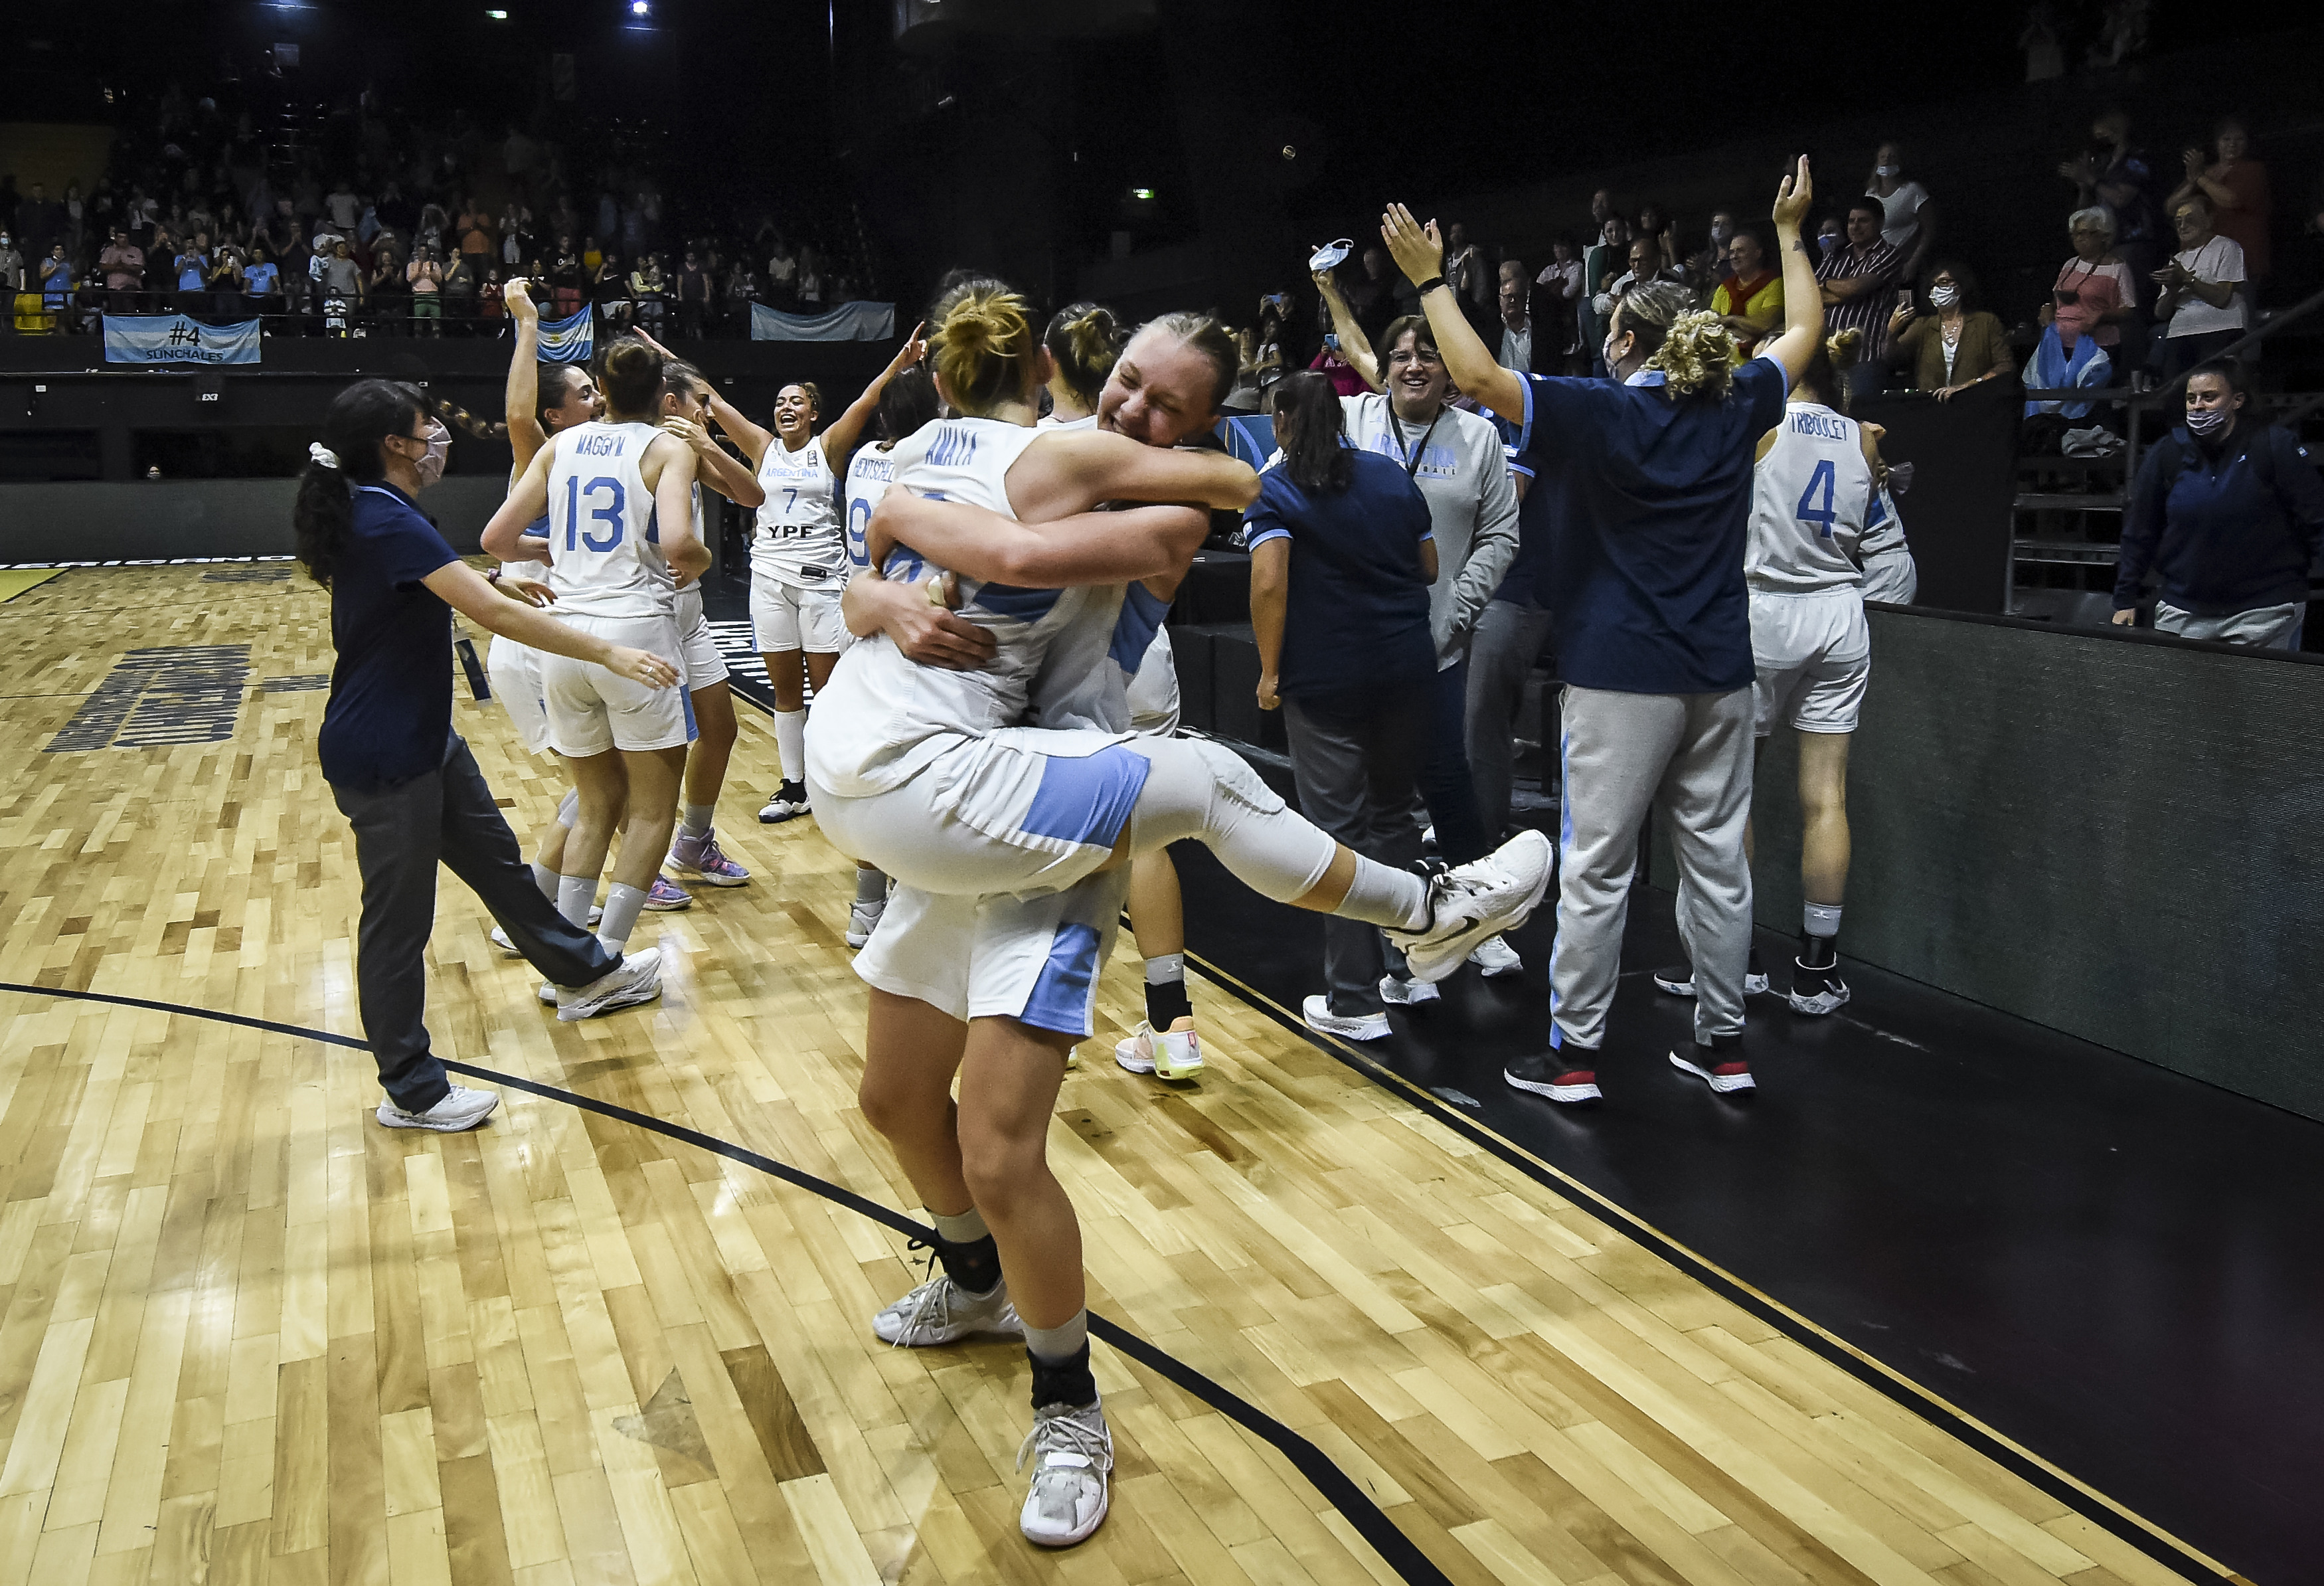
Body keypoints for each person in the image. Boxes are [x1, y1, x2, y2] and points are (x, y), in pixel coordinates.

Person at [813, 283, 1550, 1549]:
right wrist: (870, 590)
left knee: (1001, 1145)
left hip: (1045, 824)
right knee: (891, 1101)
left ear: (1205, 424)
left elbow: (1021, 554)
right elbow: (897, 567)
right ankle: (976, 1279)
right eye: (1131, 382)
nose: (1136, 402)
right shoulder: (1028, 451)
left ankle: (1068, 1402)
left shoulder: (1155, 511)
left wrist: (890, 510)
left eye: (1170, 401)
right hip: (971, 787)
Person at [1381, 153, 1827, 1105]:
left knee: (1598, 868)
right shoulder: (1738, 400)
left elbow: (1472, 372)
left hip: (1623, 673)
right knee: (1717, 867)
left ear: (1627, 341)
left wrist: (1429, 276)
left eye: (1614, 328)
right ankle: (1724, 1047)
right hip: (1721, 669)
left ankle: (1573, 1058)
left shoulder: (1599, 412)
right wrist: (1790, 234)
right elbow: (1806, 329)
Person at [295, 380, 673, 1132]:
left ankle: (586, 974)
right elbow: (492, 615)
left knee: (499, 862)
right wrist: (610, 651)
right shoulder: (382, 515)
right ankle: (411, 1087)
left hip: (422, 737)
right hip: (384, 751)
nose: (439, 434)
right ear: (395, 447)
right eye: (425, 426)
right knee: (398, 926)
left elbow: (424, 588)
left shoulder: (385, 511)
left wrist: (489, 578)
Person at [1655, 334, 1884, 1015]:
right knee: (1826, 798)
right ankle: (1815, 970)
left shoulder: (1757, 426)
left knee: (1731, 798)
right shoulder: (1865, 437)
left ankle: (1734, 963)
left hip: (1760, 611)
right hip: (1839, 612)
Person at [480, 340, 708, 980]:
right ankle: (604, 959)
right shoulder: (668, 448)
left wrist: (555, 552)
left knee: (594, 801)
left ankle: (568, 961)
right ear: (661, 393)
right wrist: (703, 561)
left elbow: (495, 540)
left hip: (564, 639)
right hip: (635, 637)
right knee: (652, 810)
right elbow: (679, 543)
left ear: (603, 391)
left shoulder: (560, 447)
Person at [1314, 284, 1523, 977]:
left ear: (1447, 371)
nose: (1411, 366)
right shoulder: (1350, 421)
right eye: (1400, 355)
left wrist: (1458, 609)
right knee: (1377, 796)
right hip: (1357, 645)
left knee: (1445, 781)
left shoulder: (1478, 436)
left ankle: (1478, 919)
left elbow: (1499, 534)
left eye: (1426, 356)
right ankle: (1395, 933)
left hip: (1437, 643)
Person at [1248, 372, 1442, 1038]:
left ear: (1279, 422)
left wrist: (1269, 670)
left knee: (1340, 834)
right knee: (1393, 821)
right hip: (1408, 674)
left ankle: (1354, 1002)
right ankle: (1409, 971)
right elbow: (1428, 567)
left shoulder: (1272, 490)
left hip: (1326, 682)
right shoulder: (1389, 476)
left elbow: (1269, 582)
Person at [706, 334, 930, 824]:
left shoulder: (827, 446)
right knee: (785, 691)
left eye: (796, 401)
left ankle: (834, 777)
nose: (786, 407)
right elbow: (714, 401)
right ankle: (794, 786)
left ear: (812, 413)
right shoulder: (762, 448)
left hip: (820, 580)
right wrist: (666, 362)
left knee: (827, 690)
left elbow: (869, 397)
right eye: (780, 401)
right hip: (768, 578)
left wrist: (901, 361)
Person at [2112, 360, 2324, 650]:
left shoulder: (2274, 446)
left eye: (2209, 397)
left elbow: (2317, 520)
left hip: (2265, 612)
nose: (2198, 406)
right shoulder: (2167, 453)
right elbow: (2140, 529)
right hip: (2183, 610)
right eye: (2191, 398)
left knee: (2262, 697)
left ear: (2237, 400)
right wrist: (2125, 598)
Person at [1886, 261, 2016, 399]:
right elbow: (1895, 360)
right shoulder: (1923, 326)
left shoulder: (1986, 322)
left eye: (1944, 282)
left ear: (1961, 286)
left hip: (1976, 402)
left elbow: (2005, 366)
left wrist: (1969, 385)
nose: (1937, 288)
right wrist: (1892, 333)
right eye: (1933, 285)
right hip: (1933, 407)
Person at [2167, 118, 2271, 288]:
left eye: (2239, 139)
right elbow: (2171, 207)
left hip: (2242, 256)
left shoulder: (2253, 169)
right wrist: (2193, 180)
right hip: (2203, 259)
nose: (2232, 145)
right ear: (2216, 143)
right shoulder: (2205, 172)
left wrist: (2200, 178)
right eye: (2226, 139)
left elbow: (2231, 200)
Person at [1817, 198, 1902, 401]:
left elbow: (1855, 288)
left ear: (1880, 223)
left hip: (1866, 358)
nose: (1855, 226)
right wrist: (1846, 294)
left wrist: (1828, 283)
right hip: (1830, 357)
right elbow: (1810, 293)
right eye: (1851, 221)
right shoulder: (1835, 255)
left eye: (1863, 221)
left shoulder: (1889, 255)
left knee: (1862, 418)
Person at [2151, 197, 2247, 379]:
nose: (2182, 225)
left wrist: (2187, 278)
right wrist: (2172, 290)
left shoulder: (2227, 247)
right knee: (2177, 397)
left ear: (2209, 220)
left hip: (2219, 330)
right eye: (2178, 221)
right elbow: (2161, 313)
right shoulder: (2178, 258)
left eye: (2190, 219)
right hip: (2179, 334)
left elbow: (2221, 298)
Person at [2044, 208, 2137, 355]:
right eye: (2074, 234)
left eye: (2083, 233)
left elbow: (2129, 310)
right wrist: (2048, 308)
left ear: (2103, 235)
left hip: (2098, 346)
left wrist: (2101, 315)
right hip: (2060, 344)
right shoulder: (2070, 264)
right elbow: (2056, 299)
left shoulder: (2117, 268)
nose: (2078, 239)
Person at [1865, 142, 1936, 282]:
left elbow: (1930, 229)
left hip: (1904, 264)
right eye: (1883, 156)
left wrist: (1913, 262)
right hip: (1878, 266)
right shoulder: (1870, 194)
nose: (1887, 160)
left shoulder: (1913, 190)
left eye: (1892, 156)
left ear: (1900, 161)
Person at [1709, 229, 1782, 362]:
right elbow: (1711, 325)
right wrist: (1746, 329)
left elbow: (1765, 326)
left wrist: (1731, 320)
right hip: (1725, 365)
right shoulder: (1724, 288)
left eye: (1740, 251)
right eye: (1731, 252)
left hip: (1761, 363)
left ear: (1757, 253)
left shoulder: (1775, 284)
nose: (1734, 256)